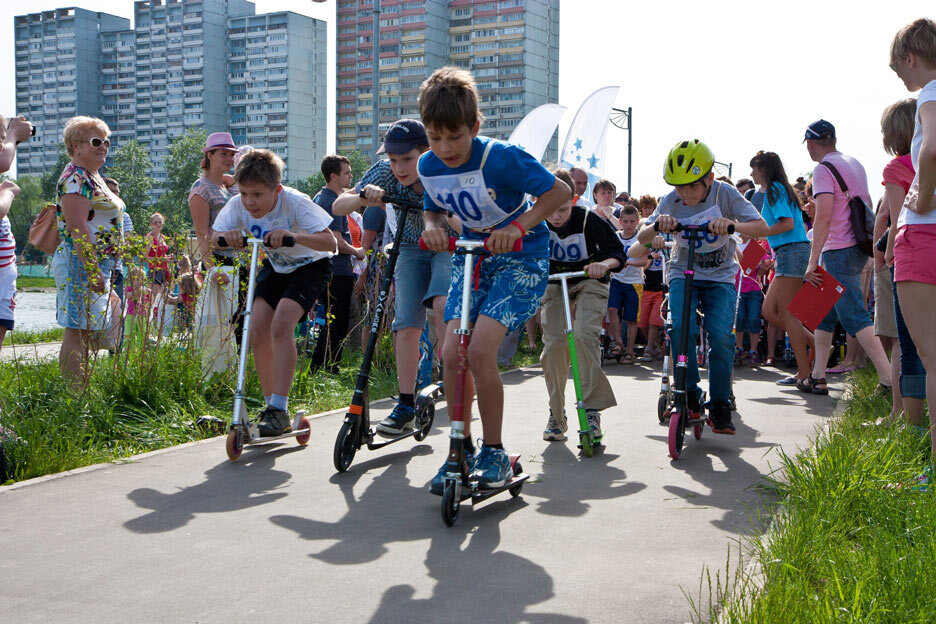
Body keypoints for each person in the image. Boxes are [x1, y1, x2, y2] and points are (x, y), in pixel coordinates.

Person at [418, 66, 570, 490]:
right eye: (434, 136)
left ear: (475, 126)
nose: (444, 147)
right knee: (451, 354)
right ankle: (459, 446)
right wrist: (432, 225)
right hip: (472, 259)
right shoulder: (429, 164)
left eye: (455, 136)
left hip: (523, 258)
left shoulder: (501, 157)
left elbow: (559, 192)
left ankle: (495, 451)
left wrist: (518, 227)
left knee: (481, 352)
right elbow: (432, 204)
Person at [332, 119, 456, 435]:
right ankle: (405, 404)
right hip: (409, 248)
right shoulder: (385, 172)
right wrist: (363, 196)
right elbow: (338, 204)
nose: (399, 167)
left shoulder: (442, 171)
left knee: (442, 306)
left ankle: (451, 374)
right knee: (405, 325)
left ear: (427, 152)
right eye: (393, 159)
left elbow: (465, 216)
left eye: (407, 159)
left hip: (445, 244)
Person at [638, 139, 768, 434]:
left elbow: (762, 227)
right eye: (678, 186)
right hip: (684, 272)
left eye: (691, 186)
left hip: (721, 275)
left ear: (709, 178)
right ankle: (690, 395)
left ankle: (720, 403)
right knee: (682, 330)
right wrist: (659, 225)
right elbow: (641, 239)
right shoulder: (670, 200)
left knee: (722, 337)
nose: (684, 193)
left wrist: (732, 226)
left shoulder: (726, 193)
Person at [212, 149, 337, 436]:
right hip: (277, 267)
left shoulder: (295, 202)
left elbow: (330, 243)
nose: (249, 202)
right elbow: (213, 240)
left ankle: (280, 406)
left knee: (282, 324)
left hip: (311, 266)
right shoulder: (237, 206)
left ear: (276, 190)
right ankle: (272, 409)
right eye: (244, 193)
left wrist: (293, 237)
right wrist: (227, 238)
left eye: (257, 194)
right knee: (255, 329)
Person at [801, 120, 892, 394]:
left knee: (853, 313)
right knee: (824, 313)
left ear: (811, 143)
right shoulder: (853, 162)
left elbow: (824, 217)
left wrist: (812, 260)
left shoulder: (822, 169)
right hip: (857, 245)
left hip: (837, 248)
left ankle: (888, 379)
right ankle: (817, 375)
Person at [540, 168, 625, 441]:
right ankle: (556, 413)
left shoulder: (588, 219)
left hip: (590, 278)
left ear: (573, 200)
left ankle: (591, 408)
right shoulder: (535, 221)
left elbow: (617, 253)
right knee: (554, 343)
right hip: (555, 281)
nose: (555, 216)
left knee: (584, 335)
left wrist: (604, 264)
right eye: (550, 209)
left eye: (562, 210)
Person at [889, 17, 936, 484]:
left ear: (911, 56)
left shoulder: (929, 93)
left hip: (924, 235)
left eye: (898, 68)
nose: (900, 77)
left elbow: (932, 148)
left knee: (931, 356)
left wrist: (920, 199)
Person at [748, 151, 814, 386]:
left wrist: (762, 232)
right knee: (769, 310)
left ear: (763, 169)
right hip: (787, 252)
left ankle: (804, 373)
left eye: (754, 168)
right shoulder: (779, 189)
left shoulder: (775, 189)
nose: (751, 173)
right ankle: (814, 346)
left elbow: (787, 224)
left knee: (789, 315)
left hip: (791, 251)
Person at [878, 98, 925, 428]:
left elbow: (896, 219)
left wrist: (887, 256)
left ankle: (911, 424)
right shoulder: (927, 161)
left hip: (910, 257)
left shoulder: (897, 168)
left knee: (908, 343)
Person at [311, 154, 364, 374]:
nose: (350, 175)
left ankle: (323, 365)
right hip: (337, 269)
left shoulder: (320, 197)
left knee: (334, 318)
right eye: (347, 172)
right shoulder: (332, 201)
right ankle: (326, 367)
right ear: (333, 176)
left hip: (327, 267)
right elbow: (335, 241)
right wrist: (357, 252)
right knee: (337, 320)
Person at [607, 205, 648, 363]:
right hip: (617, 279)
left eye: (632, 221)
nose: (629, 224)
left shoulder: (641, 239)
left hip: (634, 282)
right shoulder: (615, 236)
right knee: (612, 309)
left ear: (637, 221)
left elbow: (644, 260)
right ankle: (618, 342)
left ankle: (630, 352)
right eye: (626, 221)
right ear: (620, 221)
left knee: (631, 319)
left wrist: (628, 263)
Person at [734, 233, 767, 366]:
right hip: (737, 288)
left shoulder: (756, 246)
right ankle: (739, 348)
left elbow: (763, 270)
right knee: (739, 318)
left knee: (754, 319)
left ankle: (754, 350)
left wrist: (760, 266)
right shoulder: (734, 245)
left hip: (753, 288)